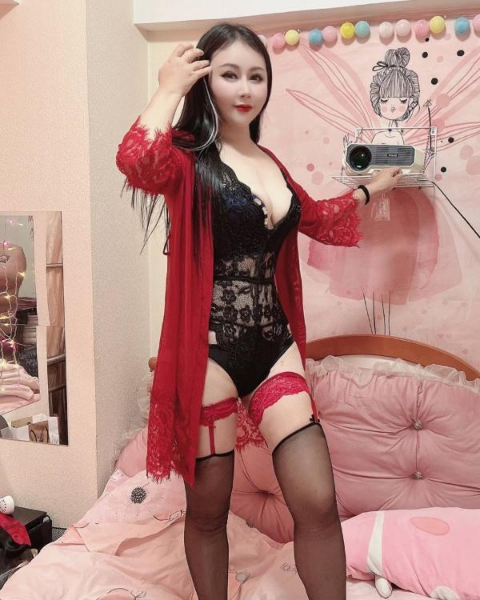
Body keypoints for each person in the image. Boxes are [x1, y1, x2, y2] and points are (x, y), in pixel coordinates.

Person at [116, 22, 402, 600]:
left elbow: (313, 216)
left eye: (256, 76)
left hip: (275, 345)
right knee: (207, 510)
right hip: (209, 353)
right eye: (229, 74)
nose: (245, 88)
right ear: (205, 80)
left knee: (317, 500)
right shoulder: (187, 158)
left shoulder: (270, 161)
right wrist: (167, 87)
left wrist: (371, 189)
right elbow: (137, 162)